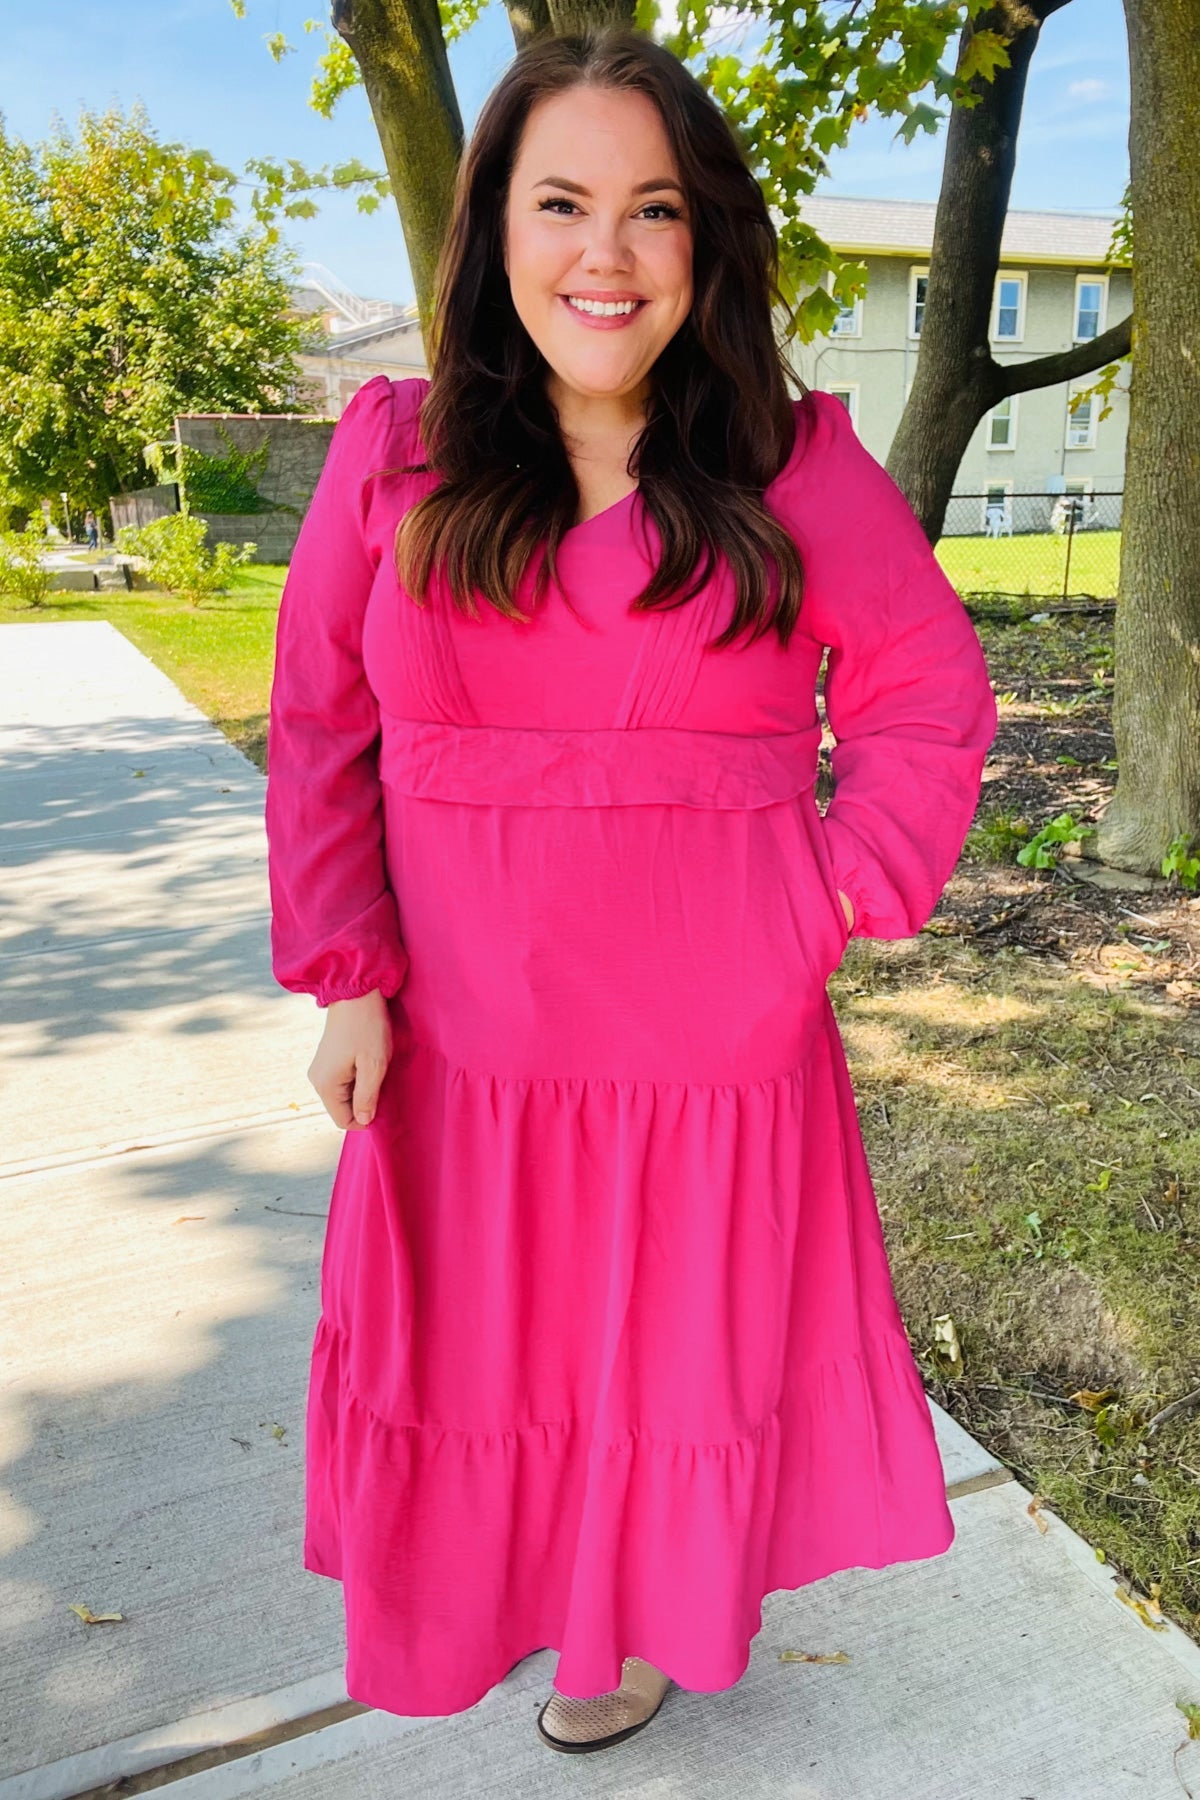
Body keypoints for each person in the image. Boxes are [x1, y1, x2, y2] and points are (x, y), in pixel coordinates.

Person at [264, 26, 998, 1757]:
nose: (606, 254)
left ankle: (631, 1624)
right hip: (461, 1048)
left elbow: (925, 697)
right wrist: (348, 973)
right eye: (562, 203)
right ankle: (505, 1604)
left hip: (708, 1049)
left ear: (705, 243)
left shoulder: (790, 463)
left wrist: (827, 898)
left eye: (653, 210)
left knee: (656, 1367)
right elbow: (318, 724)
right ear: (493, 232)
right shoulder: (392, 453)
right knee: (483, 1365)